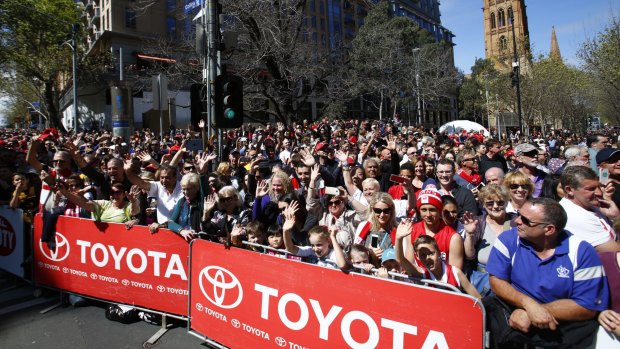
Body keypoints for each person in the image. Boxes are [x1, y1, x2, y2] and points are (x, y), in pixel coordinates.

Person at [483, 198, 609, 348]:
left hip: (560, 325)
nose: (517, 221)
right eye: (518, 214)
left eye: (525, 220)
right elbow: (496, 280)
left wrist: (534, 312)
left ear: (549, 229)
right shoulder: (509, 239)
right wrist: (527, 304)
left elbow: (587, 306)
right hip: (513, 315)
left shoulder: (582, 252)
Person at [461, 185, 513, 296]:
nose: (495, 207)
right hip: (483, 280)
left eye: (500, 203)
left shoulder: (515, 222)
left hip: (510, 281)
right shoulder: (478, 223)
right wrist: (470, 235)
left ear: (507, 203)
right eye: (490, 203)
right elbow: (469, 256)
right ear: (483, 204)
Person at [559, 166, 619, 252]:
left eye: (598, 187)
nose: (599, 192)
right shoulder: (575, 216)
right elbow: (615, 252)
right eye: (591, 189)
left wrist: (616, 217)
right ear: (569, 190)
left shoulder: (591, 205)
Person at [403, 189, 464, 270]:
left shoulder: (453, 238)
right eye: (424, 210)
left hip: (442, 281)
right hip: (418, 280)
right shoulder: (412, 231)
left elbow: (455, 275)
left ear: (439, 211)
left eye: (432, 210)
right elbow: (409, 265)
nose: (428, 215)